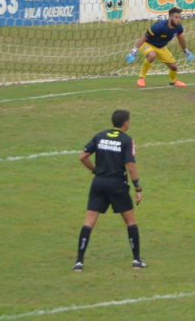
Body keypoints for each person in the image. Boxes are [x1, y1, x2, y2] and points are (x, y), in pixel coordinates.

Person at [74, 109, 145, 270]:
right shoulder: (126, 140)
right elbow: (131, 166)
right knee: (130, 221)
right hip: (117, 184)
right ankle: (136, 261)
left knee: (89, 222)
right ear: (125, 123)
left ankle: (79, 261)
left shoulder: (100, 136)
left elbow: (82, 156)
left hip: (98, 183)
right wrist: (138, 187)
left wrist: (95, 170)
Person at [126, 6, 194, 88]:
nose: (178, 19)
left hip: (161, 47)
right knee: (152, 55)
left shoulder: (178, 28)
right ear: (170, 17)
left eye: (179, 17)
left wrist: (186, 51)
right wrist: (134, 52)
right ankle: (141, 78)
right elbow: (143, 37)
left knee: (174, 67)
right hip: (147, 44)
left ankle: (173, 81)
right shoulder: (159, 26)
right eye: (176, 17)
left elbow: (181, 39)